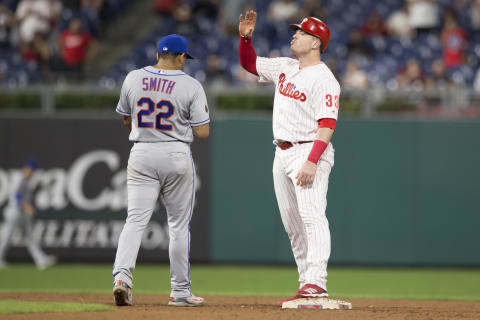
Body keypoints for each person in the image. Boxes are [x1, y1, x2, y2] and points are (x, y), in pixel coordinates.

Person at [238, 11, 340, 305]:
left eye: (302, 33)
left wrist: (312, 160)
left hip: (309, 150)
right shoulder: (285, 66)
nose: (294, 35)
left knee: (312, 216)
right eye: (296, 31)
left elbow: (327, 124)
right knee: (293, 225)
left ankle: (317, 282)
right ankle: (305, 282)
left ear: (316, 43)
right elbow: (249, 64)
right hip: (281, 153)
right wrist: (246, 38)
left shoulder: (325, 79)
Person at [112, 34, 210, 307]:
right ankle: (180, 292)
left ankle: (122, 279)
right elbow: (203, 131)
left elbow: (125, 117)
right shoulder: (191, 85)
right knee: (178, 226)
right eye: (184, 58)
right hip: (176, 152)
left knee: (135, 220)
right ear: (181, 57)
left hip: (141, 151)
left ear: (157, 55)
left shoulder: (133, 77)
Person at [0, 160, 56, 270]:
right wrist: (27, 207)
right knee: (7, 237)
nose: (33, 173)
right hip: (14, 211)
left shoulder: (26, 179)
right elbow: (16, 196)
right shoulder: (19, 178)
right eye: (32, 170)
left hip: (22, 213)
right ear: (28, 168)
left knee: (30, 237)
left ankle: (41, 259)